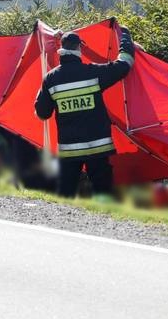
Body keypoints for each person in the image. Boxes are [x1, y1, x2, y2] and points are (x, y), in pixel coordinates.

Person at [34, 26, 135, 199]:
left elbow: (42, 113)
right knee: (103, 195)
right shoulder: (93, 73)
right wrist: (126, 37)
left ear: (61, 52)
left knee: (65, 196)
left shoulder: (50, 79)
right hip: (97, 147)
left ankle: (60, 224)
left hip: (69, 150)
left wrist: (43, 90)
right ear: (79, 49)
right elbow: (124, 65)